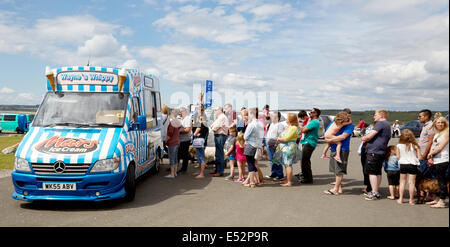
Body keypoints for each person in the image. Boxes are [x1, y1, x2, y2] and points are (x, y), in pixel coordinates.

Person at [362, 109, 392, 201]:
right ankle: (376, 191)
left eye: (375, 115)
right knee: (377, 172)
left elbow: (369, 136)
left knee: (372, 172)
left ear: (381, 115)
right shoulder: (387, 124)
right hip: (381, 151)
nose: (374, 116)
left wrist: (364, 138)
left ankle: (374, 192)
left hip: (374, 151)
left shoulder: (380, 123)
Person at [323, 109, 354, 195]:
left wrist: (329, 139)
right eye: (347, 116)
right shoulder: (334, 122)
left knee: (339, 170)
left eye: (349, 116)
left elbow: (343, 137)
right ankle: (339, 188)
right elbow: (328, 132)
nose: (348, 118)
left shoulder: (350, 125)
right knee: (335, 170)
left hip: (342, 149)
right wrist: (329, 139)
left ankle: (335, 189)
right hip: (333, 148)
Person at [426, 117, 449, 208]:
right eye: (438, 122)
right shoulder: (437, 134)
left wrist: (430, 153)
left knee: (442, 181)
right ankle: (438, 198)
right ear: (435, 124)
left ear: (445, 123)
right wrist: (430, 155)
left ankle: (442, 201)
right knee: (438, 180)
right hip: (436, 159)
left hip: (443, 159)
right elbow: (433, 145)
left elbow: (440, 147)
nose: (440, 124)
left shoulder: (446, 133)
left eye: (442, 122)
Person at [272, 113, 299, 187]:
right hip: (285, 147)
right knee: (286, 164)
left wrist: (278, 139)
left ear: (291, 119)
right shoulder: (289, 127)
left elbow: (286, 138)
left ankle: (289, 182)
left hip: (289, 147)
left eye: (287, 118)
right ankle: (287, 179)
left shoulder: (293, 128)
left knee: (288, 165)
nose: (286, 119)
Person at [396, 129, 421, 205]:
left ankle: (400, 199)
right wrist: (415, 159)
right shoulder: (415, 145)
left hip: (403, 164)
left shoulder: (399, 145)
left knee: (402, 182)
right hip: (412, 164)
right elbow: (420, 157)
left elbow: (398, 157)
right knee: (411, 183)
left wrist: (403, 159)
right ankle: (411, 200)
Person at [297, 108, 321, 184]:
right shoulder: (312, 121)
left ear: (316, 113)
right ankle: (306, 176)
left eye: (312, 112)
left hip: (309, 143)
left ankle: (308, 178)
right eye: (310, 112)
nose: (310, 113)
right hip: (307, 142)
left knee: (305, 161)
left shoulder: (314, 122)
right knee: (305, 161)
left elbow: (303, 130)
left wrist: (299, 125)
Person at [242, 108, 263, 188]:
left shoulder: (251, 124)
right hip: (257, 145)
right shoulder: (260, 123)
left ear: (251, 114)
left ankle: (252, 182)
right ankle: (256, 181)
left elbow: (245, 136)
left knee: (250, 164)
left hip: (250, 145)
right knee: (254, 163)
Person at [264, 111, 286, 181]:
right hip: (269, 145)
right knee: (271, 160)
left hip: (275, 145)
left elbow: (280, 135)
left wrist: (277, 144)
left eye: (273, 116)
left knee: (277, 160)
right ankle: (274, 173)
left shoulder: (279, 125)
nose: (271, 117)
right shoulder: (271, 124)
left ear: (278, 118)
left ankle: (280, 175)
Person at [210, 106, 229, 177]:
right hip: (218, 135)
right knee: (217, 153)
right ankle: (217, 170)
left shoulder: (222, 117)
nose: (215, 112)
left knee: (219, 154)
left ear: (220, 110)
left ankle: (220, 171)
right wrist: (213, 127)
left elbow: (215, 127)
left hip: (220, 136)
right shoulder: (220, 117)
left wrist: (213, 128)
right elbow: (213, 125)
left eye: (215, 110)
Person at [192, 105, 209, 179]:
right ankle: (200, 172)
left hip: (199, 142)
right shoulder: (205, 124)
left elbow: (195, 133)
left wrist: (195, 133)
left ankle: (202, 173)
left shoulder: (200, 124)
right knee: (200, 157)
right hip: (202, 142)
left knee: (201, 158)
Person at [418, 109, 435, 177]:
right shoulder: (425, 126)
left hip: (425, 155)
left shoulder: (430, 126)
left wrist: (424, 155)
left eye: (420, 116)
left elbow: (431, 141)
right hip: (422, 154)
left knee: (424, 175)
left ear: (426, 117)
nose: (418, 118)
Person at [165, 109, 182, 179]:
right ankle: (175, 172)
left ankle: (172, 174)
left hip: (172, 143)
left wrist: (166, 141)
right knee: (175, 158)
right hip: (177, 142)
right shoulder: (178, 121)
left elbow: (169, 134)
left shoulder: (172, 123)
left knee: (172, 158)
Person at [178, 107, 192, 173]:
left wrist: (178, 132)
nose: (179, 113)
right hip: (181, 139)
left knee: (184, 155)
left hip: (185, 140)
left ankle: (184, 169)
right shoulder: (182, 118)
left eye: (180, 112)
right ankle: (176, 167)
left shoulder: (187, 119)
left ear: (183, 112)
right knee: (180, 154)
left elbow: (187, 130)